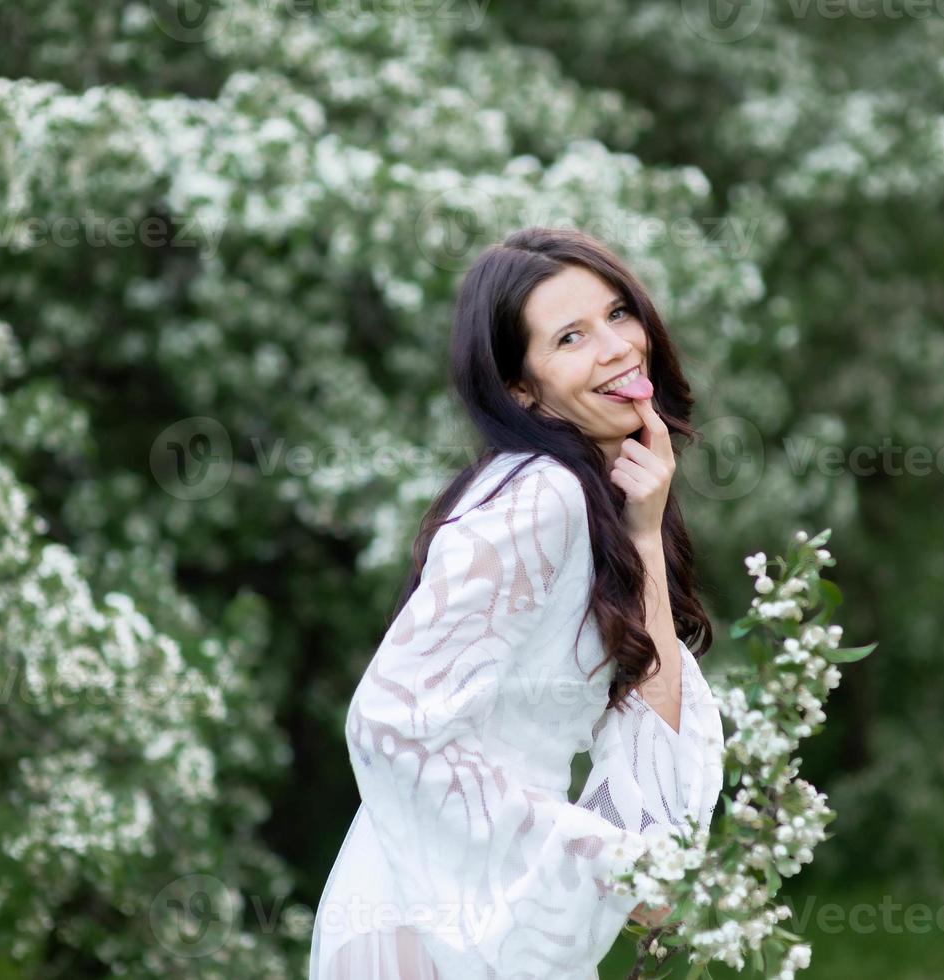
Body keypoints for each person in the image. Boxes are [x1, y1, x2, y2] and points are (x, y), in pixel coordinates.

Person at [309, 227, 726, 979]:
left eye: (618, 313)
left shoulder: (586, 500)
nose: (617, 348)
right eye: (570, 336)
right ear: (521, 390)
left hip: (486, 907)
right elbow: (389, 723)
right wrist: (606, 858)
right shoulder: (541, 496)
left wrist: (645, 533)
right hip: (431, 914)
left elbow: (653, 737)